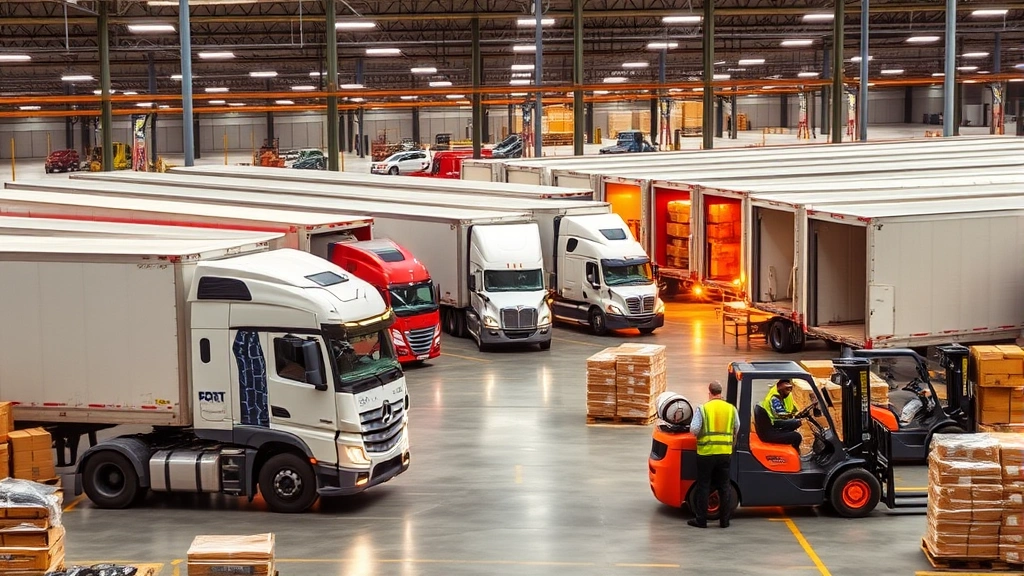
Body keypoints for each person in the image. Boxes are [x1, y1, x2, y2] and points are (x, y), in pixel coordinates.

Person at [688, 381, 740, 529]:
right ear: (720, 393)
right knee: (724, 486)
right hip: (724, 453)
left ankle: (701, 520)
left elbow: (694, 430)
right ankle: (724, 521)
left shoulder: (703, 409)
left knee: (704, 486)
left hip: (706, 453)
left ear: (709, 392)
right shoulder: (731, 409)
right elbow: (737, 427)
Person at [759, 379, 804, 451]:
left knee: (796, 422)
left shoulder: (782, 396)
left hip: (773, 422)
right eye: (787, 388)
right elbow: (780, 414)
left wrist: (797, 413)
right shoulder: (775, 398)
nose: (789, 391)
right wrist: (793, 416)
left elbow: (793, 408)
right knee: (797, 435)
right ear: (780, 387)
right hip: (774, 424)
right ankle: (795, 451)